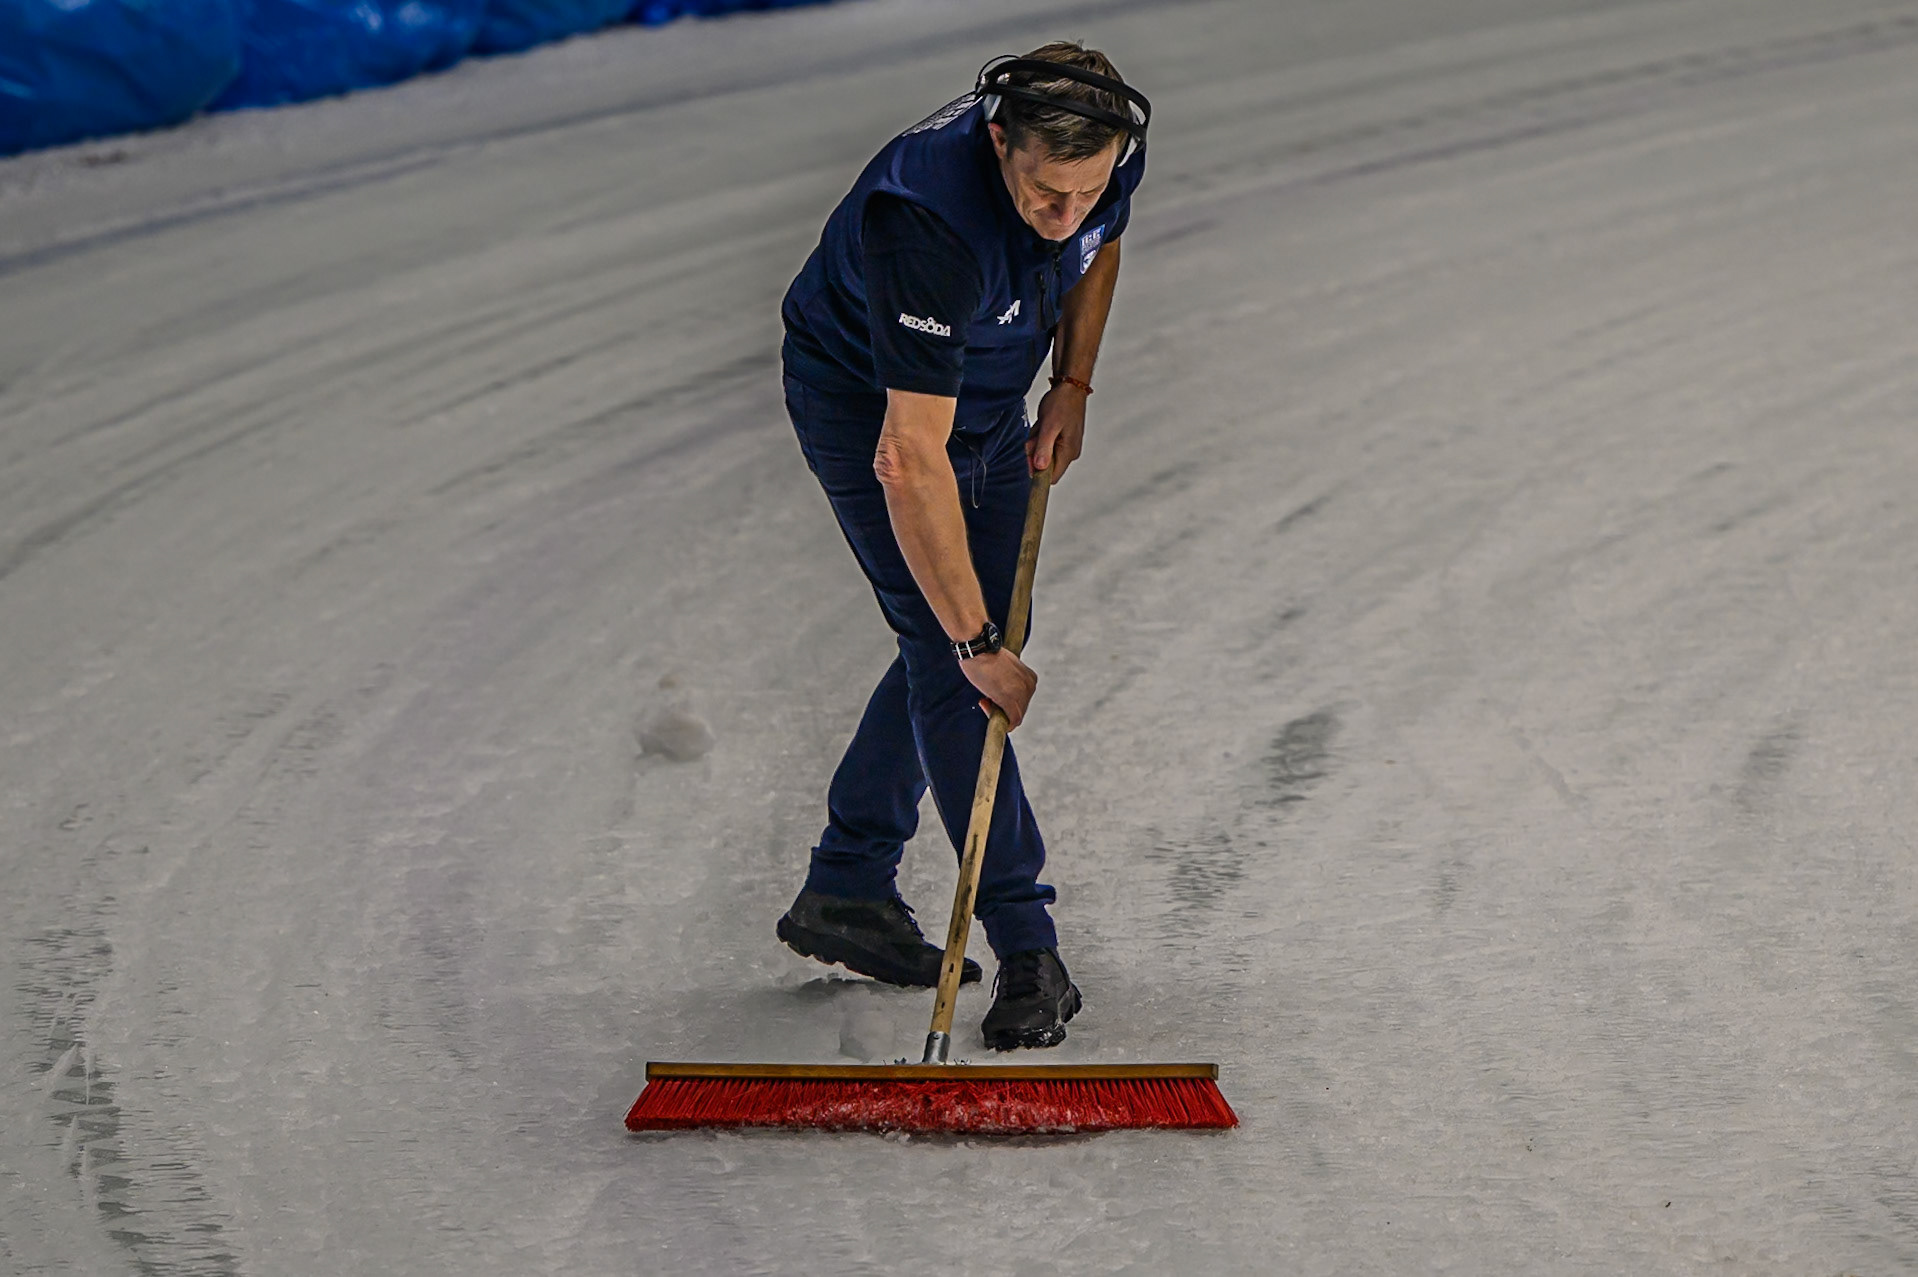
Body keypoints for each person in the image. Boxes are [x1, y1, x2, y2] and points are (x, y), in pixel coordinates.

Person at [775, 42, 1148, 1050]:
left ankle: (848, 883)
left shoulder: (1094, 163)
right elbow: (907, 458)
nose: (1062, 211)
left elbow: (1098, 241)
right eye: (1040, 188)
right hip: (869, 407)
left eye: (1086, 184)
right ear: (996, 143)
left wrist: (1071, 381)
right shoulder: (926, 224)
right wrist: (974, 635)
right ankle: (1030, 949)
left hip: (990, 397)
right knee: (957, 657)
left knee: (953, 641)